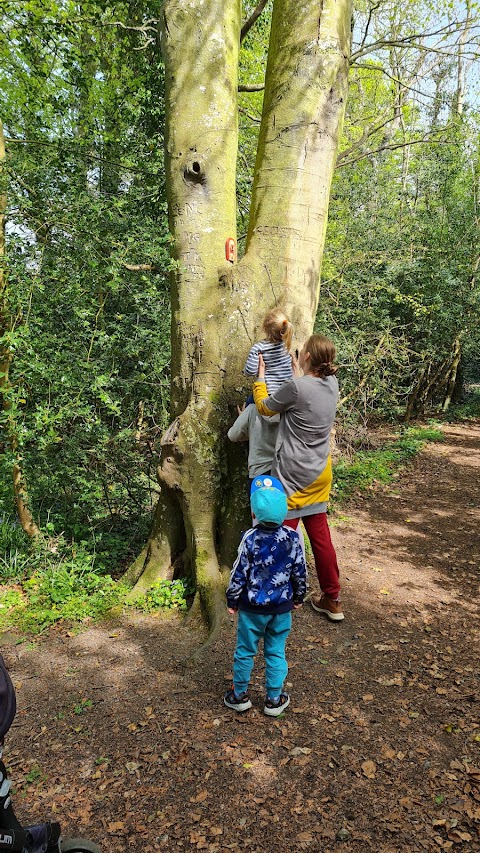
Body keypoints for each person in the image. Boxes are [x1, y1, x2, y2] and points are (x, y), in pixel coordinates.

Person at [253, 334, 344, 622]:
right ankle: (332, 599)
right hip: (320, 473)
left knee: (279, 537)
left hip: (292, 475)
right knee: (321, 540)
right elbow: (306, 393)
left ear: (306, 357)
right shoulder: (332, 383)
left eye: (302, 349)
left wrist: (260, 379)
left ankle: (274, 596)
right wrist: (297, 377)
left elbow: (266, 407)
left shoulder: (295, 387)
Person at [224, 475, 306, 717]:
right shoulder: (292, 538)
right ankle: (273, 698)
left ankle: (239, 695)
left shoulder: (250, 538)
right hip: (281, 609)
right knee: (276, 650)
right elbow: (300, 572)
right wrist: (299, 597)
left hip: (252, 609)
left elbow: (238, 572)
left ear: (254, 511)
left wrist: (232, 599)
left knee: (245, 650)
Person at [244, 308, 293, 396]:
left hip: (268, 395)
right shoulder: (287, 345)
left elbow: (250, 371)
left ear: (265, 328)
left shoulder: (259, 348)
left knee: (249, 401)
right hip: (288, 394)